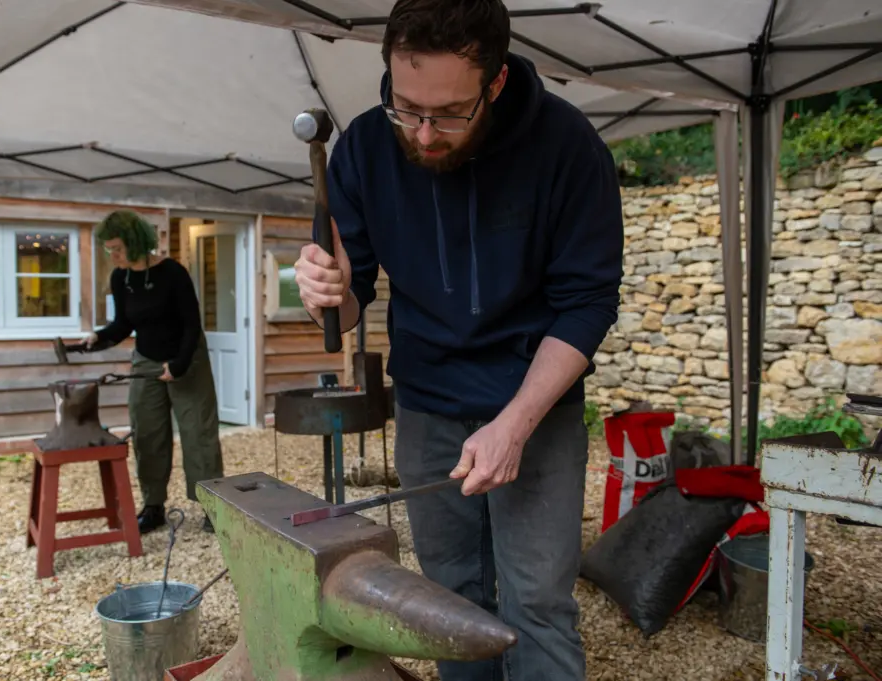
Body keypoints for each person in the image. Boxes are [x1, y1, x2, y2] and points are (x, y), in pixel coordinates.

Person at [292, 1, 624, 679]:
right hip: (427, 404)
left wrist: (515, 423)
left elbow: (586, 304)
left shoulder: (566, 147)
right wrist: (329, 291)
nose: (422, 132)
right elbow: (351, 305)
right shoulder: (361, 148)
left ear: (495, 83)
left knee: (536, 605)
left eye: (447, 113)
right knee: (447, 600)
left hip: (536, 405)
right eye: (404, 106)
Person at [87, 210, 223, 534]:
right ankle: (153, 506)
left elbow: (192, 325)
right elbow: (124, 324)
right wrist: (99, 336)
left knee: (198, 434)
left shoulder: (172, 272)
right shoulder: (122, 279)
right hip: (146, 361)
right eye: (109, 250)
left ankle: (213, 506)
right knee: (147, 432)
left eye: (117, 248)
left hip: (186, 358)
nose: (113, 255)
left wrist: (177, 366)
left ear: (135, 243)